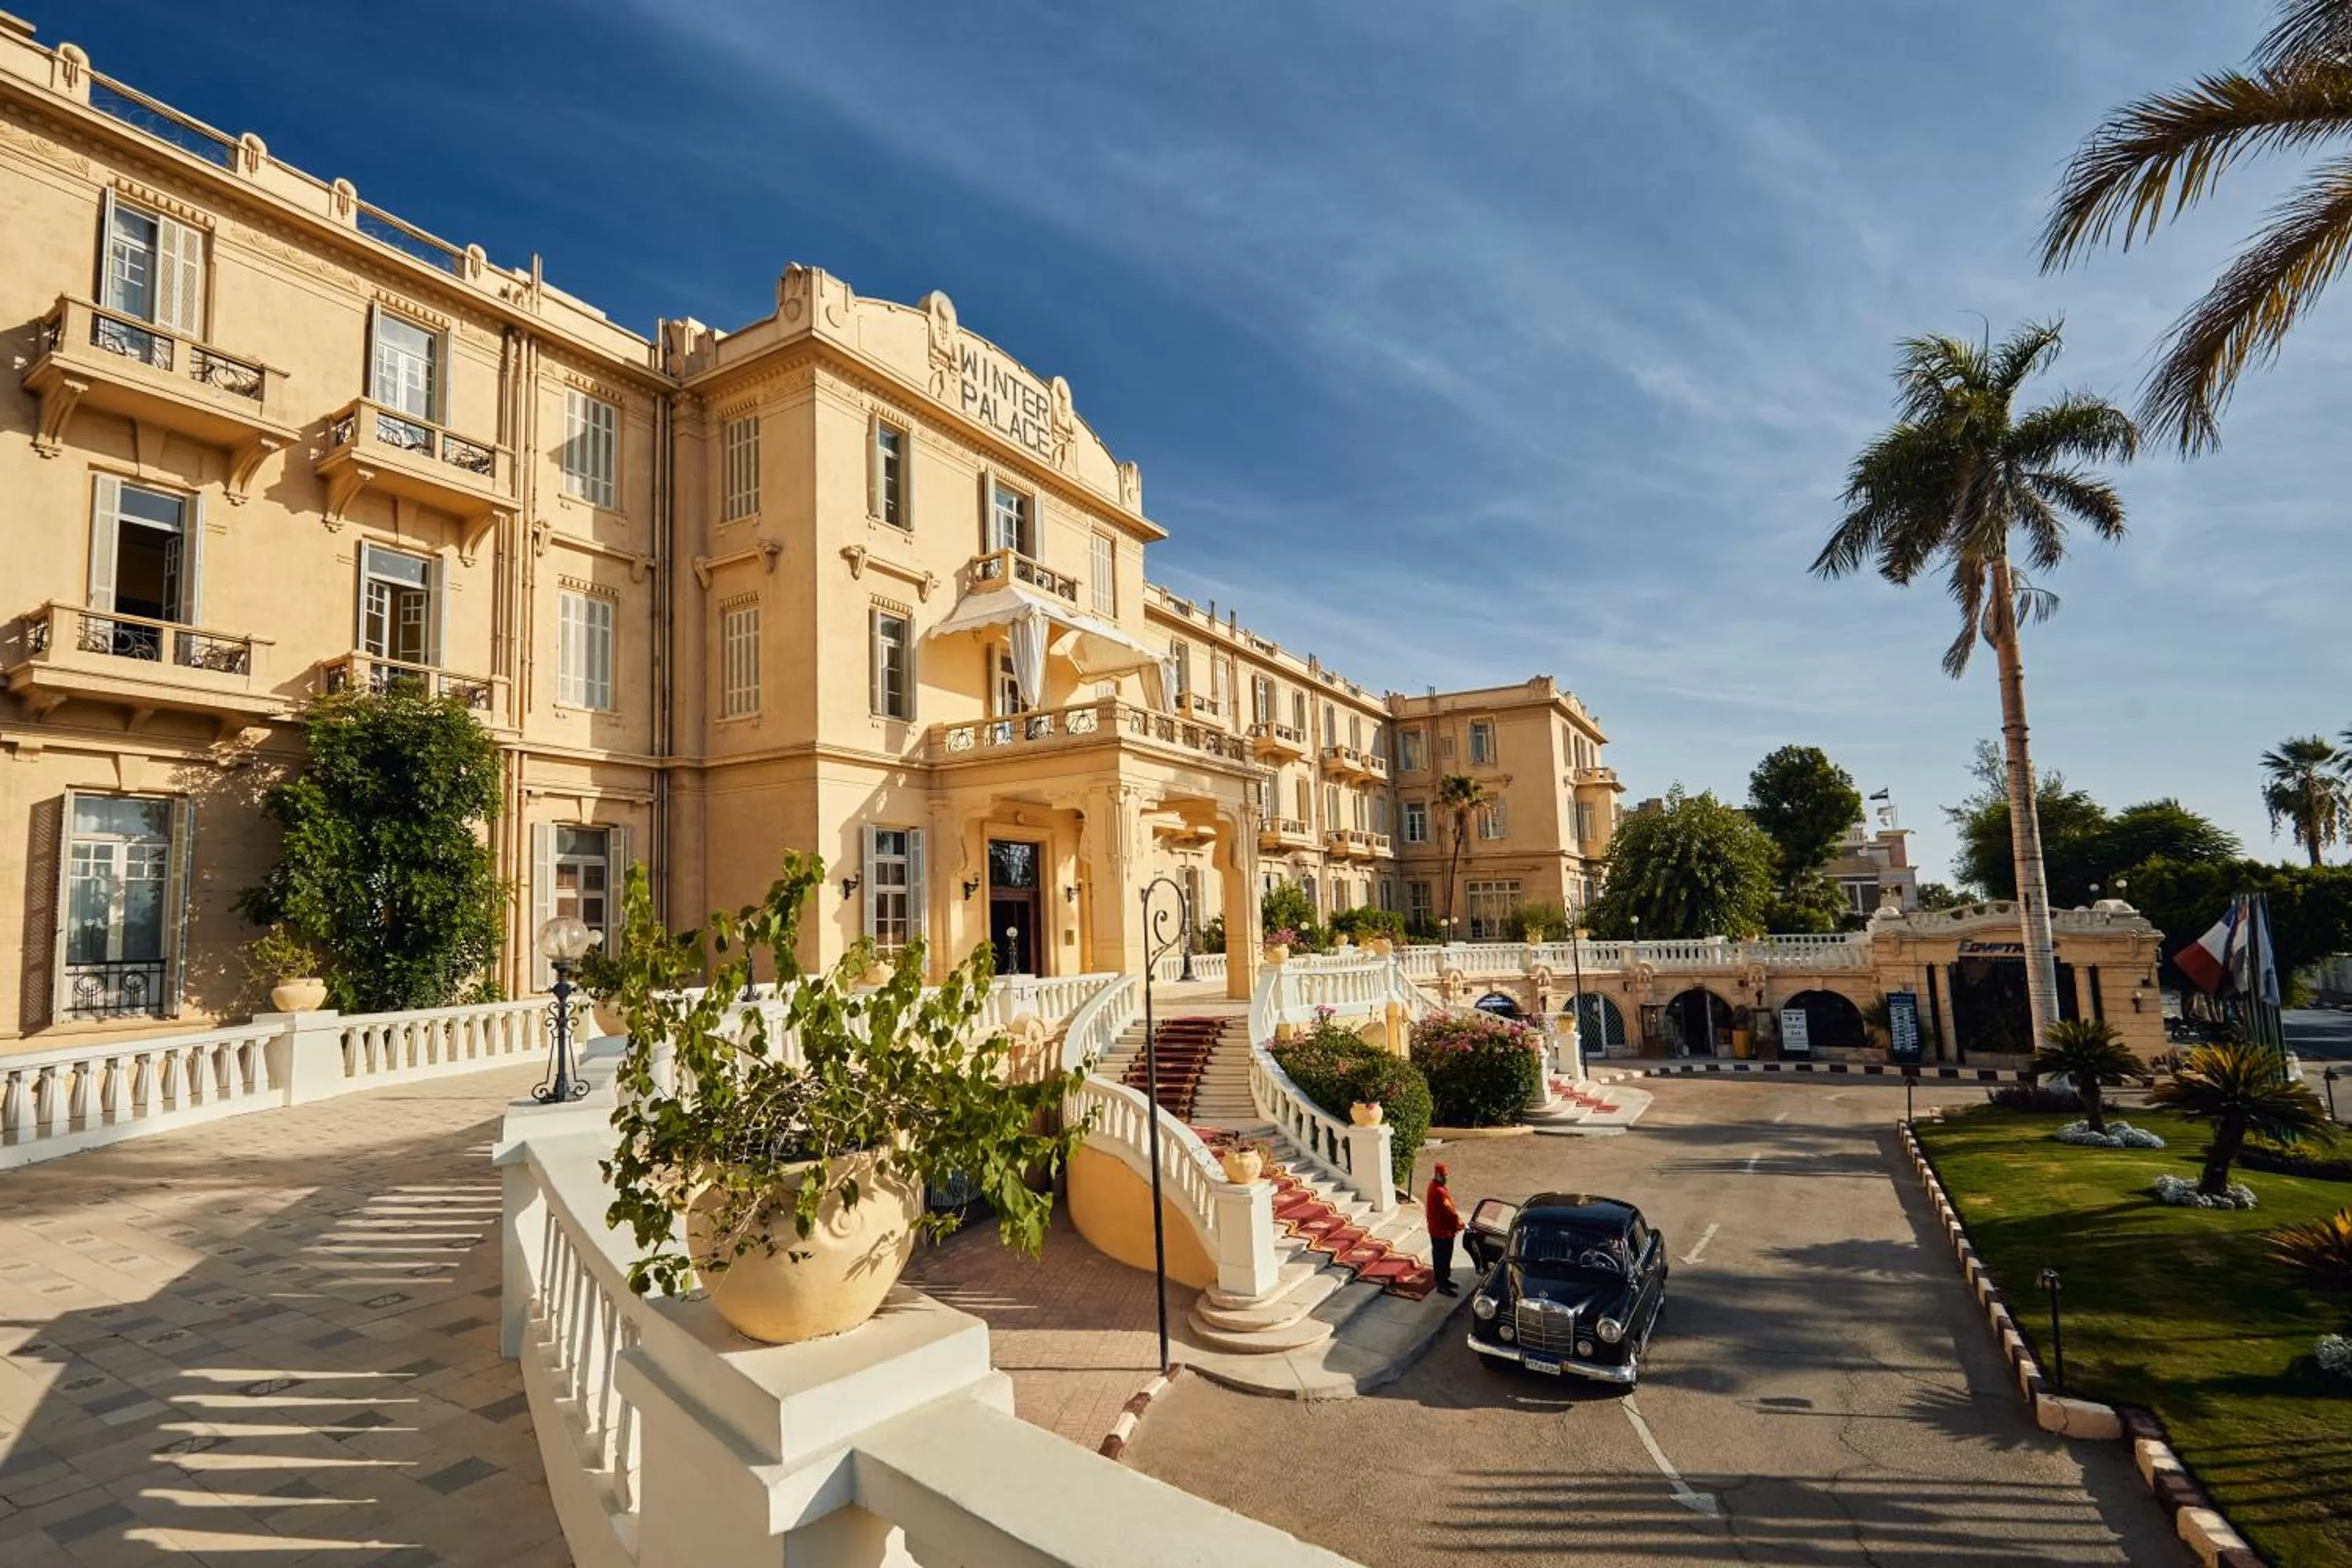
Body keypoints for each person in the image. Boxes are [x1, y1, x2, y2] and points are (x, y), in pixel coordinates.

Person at [1425, 1163, 1463, 1295]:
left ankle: (1444, 1280)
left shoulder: (1434, 1185)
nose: (1445, 1178)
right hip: (1442, 1232)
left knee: (1442, 1257)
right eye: (1442, 1175)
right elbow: (1450, 1212)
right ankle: (1442, 1284)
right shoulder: (1439, 1191)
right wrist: (1460, 1224)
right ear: (1436, 1175)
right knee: (1443, 1257)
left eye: (1446, 1175)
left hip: (1438, 1230)